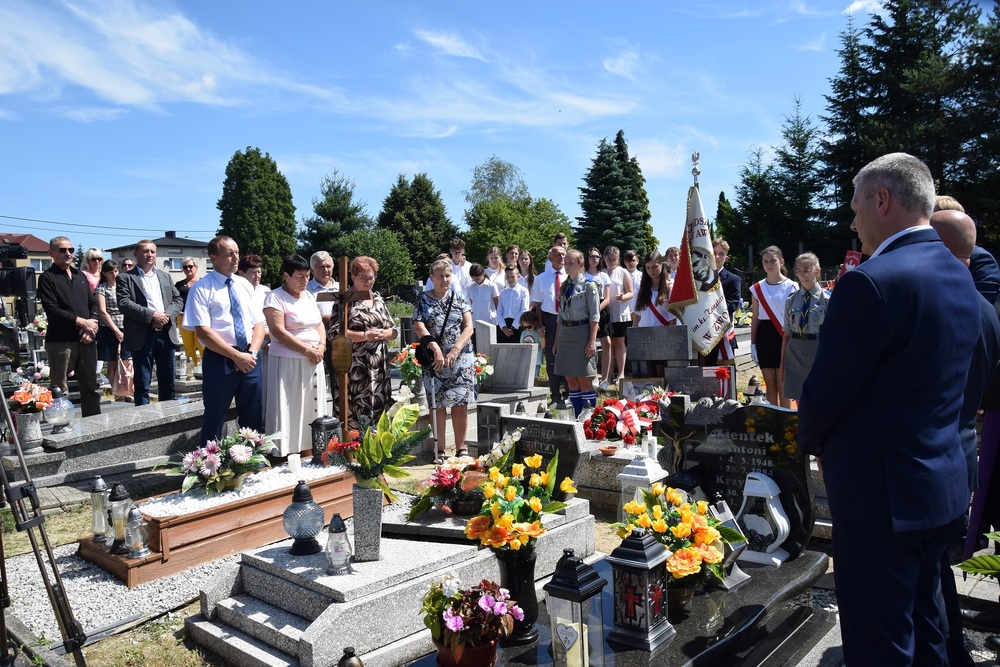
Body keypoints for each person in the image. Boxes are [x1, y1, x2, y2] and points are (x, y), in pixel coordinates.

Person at [798, 153, 981, 666]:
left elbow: (826, 391)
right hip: (939, 486)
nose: (852, 222)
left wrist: (808, 444)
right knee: (929, 630)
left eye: (856, 207)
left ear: (882, 200)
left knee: (880, 643)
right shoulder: (958, 272)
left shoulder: (872, 281)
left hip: (879, 497)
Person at [929, 208, 1000, 665]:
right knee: (938, 576)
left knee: (927, 583)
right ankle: (953, 652)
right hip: (960, 455)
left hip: (927, 461)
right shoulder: (986, 310)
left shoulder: (938, 307)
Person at [183, 236, 265, 444]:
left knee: (253, 417)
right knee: (215, 417)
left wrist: (250, 354)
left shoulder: (244, 285)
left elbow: (258, 324)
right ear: (214, 258)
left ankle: (252, 459)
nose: (236, 257)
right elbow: (203, 332)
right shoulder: (201, 289)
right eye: (229, 254)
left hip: (250, 358)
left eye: (237, 252)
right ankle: (211, 462)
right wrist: (236, 356)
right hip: (220, 359)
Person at [263, 255, 327, 457]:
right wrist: (306, 350)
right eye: (300, 276)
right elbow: (279, 331)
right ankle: (288, 455)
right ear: (286, 275)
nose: (305, 281)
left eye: (307, 276)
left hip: (314, 360)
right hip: (288, 363)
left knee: (311, 408)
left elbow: (318, 324)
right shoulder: (274, 297)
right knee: (291, 408)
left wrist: (322, 346)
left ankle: (311, 451)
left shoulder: (308, 296)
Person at [412, 258, 475, 464]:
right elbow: (418, 324)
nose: (445, 279)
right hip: (435, 359)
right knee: (437, 405)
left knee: (460, 404)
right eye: (440, 276)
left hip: (460, 359)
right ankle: (439, 450)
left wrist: (455, 350)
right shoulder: (423, 299)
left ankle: (461, 448)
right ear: (431, 277)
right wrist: (434, 347)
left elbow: (469, 327)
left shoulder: (458, 298)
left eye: (448, 275)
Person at [328, 256, 397, 432]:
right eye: (363, 278)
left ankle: (377, 444)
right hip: (356, 367)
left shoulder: (378, 299)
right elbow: (335, 333)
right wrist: (365, 335)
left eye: (371, 278)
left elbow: (393, 330)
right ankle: (355, 444)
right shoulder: (344, 300)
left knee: (379, 408)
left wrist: (385, 334)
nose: (368, 282)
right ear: (353, 277)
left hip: (379, 366)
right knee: (356, 409)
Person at [36, 236, 101, 417]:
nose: (68, 253)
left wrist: (92, 325)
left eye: (71, 250)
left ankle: (94, 424)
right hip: (61, 341)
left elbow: (93, 303)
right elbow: (52, 309)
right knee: (60, 388)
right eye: (62, 250)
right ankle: (62, 425)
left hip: (86, 339)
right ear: (51, 253)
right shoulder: (47, 277)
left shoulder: (80, 275)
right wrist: (83, 322)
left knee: (91, 385)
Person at [117, 240, 183, 405]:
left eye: (152, 251)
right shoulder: (126, 277)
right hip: (142, 335)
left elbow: (177, 300)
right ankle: (145, 418)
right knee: (142, 383)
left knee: (168, 382)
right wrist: (152, 315)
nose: (149, 255)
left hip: (166, 334)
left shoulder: (165, 276)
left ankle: (169, 416)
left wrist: (166, 315)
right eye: (145, 251)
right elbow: (124, 303)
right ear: (136, 254)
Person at [554, 249, 600, 416]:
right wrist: (556, 341)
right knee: (571, 380)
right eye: (565, 263)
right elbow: (560, 317)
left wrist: (592, 341)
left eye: (570, 263)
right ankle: (576, 417)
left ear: (580, 264)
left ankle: (588, 420)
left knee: (584, 379)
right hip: (565, 334)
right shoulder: (565, 286)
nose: (566, 266)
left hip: (582, 333)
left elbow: (595, 316)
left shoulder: (589, 286)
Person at [779, 253, 829, 403]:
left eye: (807, 270)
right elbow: (786, 334)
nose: (802, 275)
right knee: (799, 398)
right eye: (798, 271)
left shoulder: (827, 299)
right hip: (795, 351)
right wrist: (782, 364)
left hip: (817, 350)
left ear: (817, 271)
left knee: (819, 397)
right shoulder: (791, 300)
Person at [750, 246, 796, 407]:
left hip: (784, 336)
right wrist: (753, 344)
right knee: (770, 385)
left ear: (781, 261)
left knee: (783, 384)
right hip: (765, 336)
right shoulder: (757, 288)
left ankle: (785, 419)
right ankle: (773, 419)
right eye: (765, 261)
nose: (769, 264)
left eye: (773, 261)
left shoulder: (792, 286)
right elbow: (755, 318)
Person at [531, 246, 567, 407]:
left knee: (567, 357)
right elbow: (538, 303)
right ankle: (555, 395)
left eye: (563, 254)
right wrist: (540, 324)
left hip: (567, 320)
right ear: (550, 257)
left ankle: (569, 393)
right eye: (557, 255)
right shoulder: (541, 278)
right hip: (550, 320)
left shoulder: (570, 276)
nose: (561, 257)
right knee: (551, 358)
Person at [94, 260, 132, 403]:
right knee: (113, 362)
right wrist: (115, 330)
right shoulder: (101, 288)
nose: (114, 274)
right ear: (104, 273)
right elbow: (102, 312)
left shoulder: (123, 286)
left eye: (116, 271)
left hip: (125, 325)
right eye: (111, 272)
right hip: (109, 327)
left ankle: (127, 390)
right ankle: (117, 392)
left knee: (127, 361)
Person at [602, 246, 634, 387]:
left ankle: (621, 374)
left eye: (614, 259)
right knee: (608, 344)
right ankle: (608, 374)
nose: (611, 262)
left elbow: (631, 292)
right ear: (604, 258)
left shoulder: (623, 272)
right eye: (609, 259)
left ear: (618, 259)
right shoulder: (601, 273)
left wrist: (623, 297)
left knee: (619, 343)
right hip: (605, 313)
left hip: (620, 312)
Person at [583, 248, 611, 390]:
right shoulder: (583, 275)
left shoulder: (603, 275)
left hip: (601, 309)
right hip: (586, 310)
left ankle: (605, 379)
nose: (594, 259)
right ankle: (593, 376)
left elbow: (607, 298)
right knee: (590, 343)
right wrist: (591, 311)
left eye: (597, 257)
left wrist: (596, 310)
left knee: (607, 342)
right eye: (592, 256)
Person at [174, 257, 204, 379]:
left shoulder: (203, 282)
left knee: (202, 344)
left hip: (199, 318)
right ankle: (191, 372)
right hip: (183, 318)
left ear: (196, 268)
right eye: (185, 267)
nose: (188, 269)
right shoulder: (179, 285)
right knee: (188, 346)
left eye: (190, 266)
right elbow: (174, 300)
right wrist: (178, 312)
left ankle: (207, 370)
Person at [632, 251, 676, 327]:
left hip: (663, 332)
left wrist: (671, 333)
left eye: (655, 267)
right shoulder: (641, 289)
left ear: (662, 265)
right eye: (648, 268)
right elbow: (637, 315)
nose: (651, 271)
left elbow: (673, 318)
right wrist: (634, 332)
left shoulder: (669, 289)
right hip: (643, 331)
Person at [496, 264, 530, 344]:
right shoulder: (503, 292)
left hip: (517, 325)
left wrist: (513, 327)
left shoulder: (523, 291)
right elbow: (499, 311)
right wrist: (504, 327)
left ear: (518, 277)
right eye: (507, 277)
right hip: (504, 326)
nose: (510, 279)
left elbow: (524, 310)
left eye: (512, 277)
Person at [466, 263, 499, 336]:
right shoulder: (470, 287)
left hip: (489, 321)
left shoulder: (492, 286)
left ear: (483, 274)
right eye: (473, 279)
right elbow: (471, 303)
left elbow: (497, 303)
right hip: (475, 322)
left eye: (477, 278)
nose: (476, 281)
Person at [519, 310, 543, 379]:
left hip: (536, 360)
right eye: (524, 327)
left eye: (529, 327)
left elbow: (543, 346)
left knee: (535, 377)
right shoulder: (523, 333)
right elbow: (521, 346)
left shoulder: (538, 333)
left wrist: (543, 337)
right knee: (525, 377)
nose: (527, 329)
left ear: (535, 323)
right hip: (525, 359)